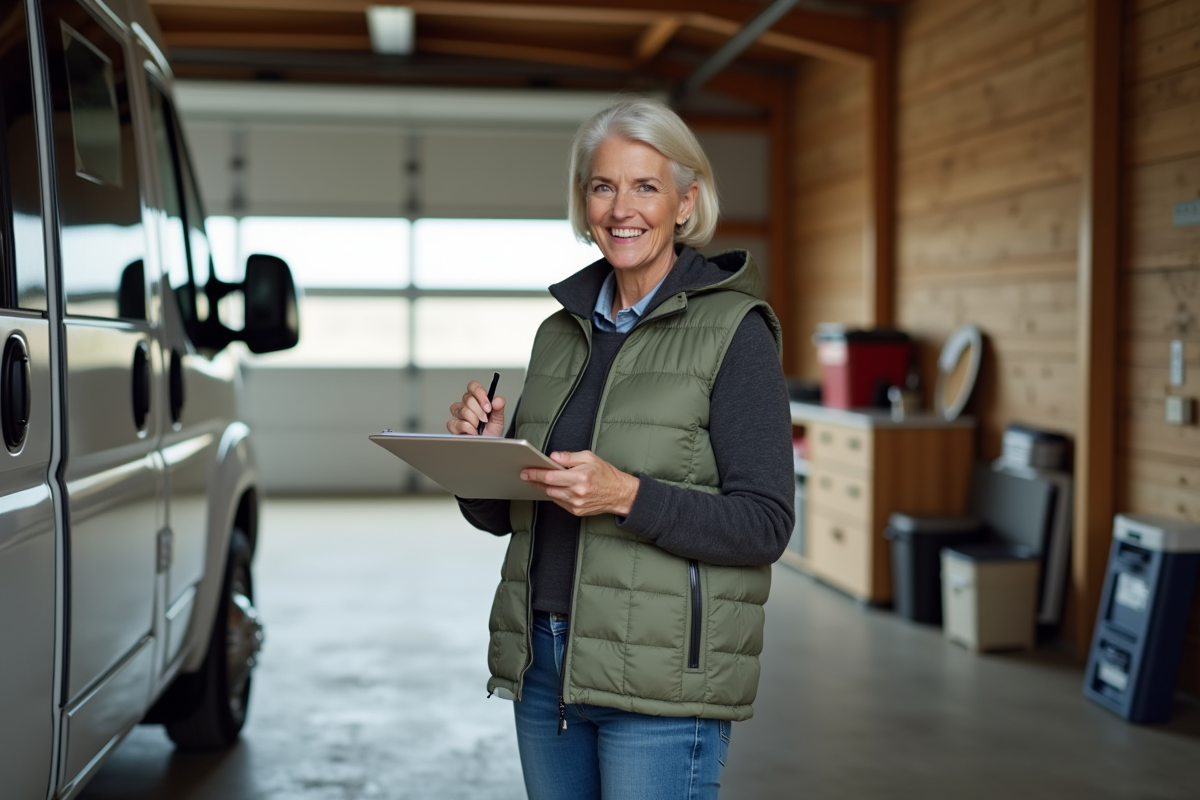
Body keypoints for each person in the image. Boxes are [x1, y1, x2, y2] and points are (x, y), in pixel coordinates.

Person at [446, 97, 794, 800]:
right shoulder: (559, 333)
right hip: (544, 662)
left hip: (661, 680)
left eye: (646, 186)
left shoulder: (736, 332)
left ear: (685, 203)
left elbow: (765, 524)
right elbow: (509, 515)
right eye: (603, 186)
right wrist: (480, 460)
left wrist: (627, 496)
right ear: (584, 200)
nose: (621, 209)